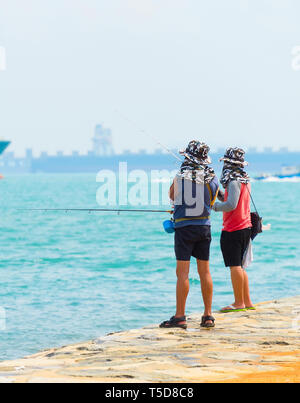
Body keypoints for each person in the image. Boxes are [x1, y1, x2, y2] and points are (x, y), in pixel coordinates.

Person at [160, 141, 219, 329]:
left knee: (182, 273)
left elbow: (172, 196)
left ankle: (180, 316)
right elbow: (212, 200)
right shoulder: (212, 178)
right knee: (205, 272)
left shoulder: (180, 177)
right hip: (204, 228)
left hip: (184, 229)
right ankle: (208, 315)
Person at [213, 147, 255, 313]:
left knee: (235, 266)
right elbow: (232, 200)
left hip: (233, 229)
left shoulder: (233, 181)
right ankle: (247, 301)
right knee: (241, 267)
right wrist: (219, 195)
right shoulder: (244, 180)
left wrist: (214, 206)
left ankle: (239, 302)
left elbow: (231, 205)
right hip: (245, 227)